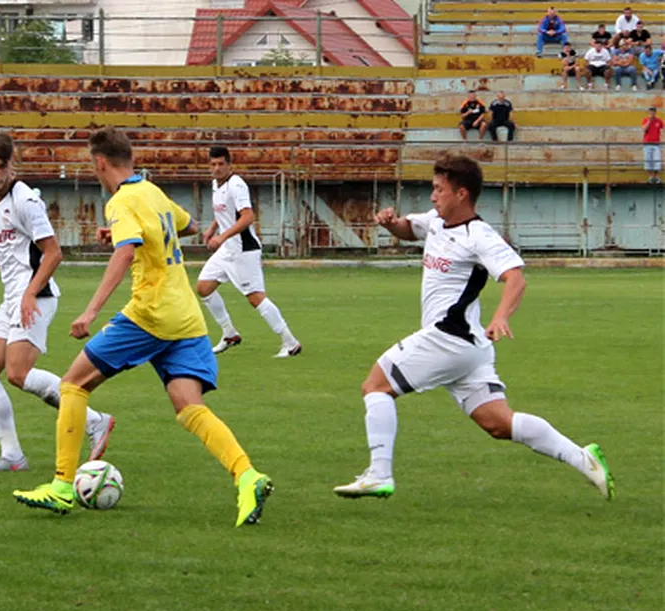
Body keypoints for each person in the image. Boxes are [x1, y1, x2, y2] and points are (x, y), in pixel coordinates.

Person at [12, 127, 273, 527]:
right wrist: (131, 234)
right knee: (189, 407)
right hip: (186, 317)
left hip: (150, 314)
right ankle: (247, 476)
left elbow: (126, 252)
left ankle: (63, 487)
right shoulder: (151, 192)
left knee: (72, 385)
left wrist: (91, 311)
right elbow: (183, 225)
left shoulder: (122, 201)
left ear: (99, 163)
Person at [332, 154, 614, 502]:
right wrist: (391, 223)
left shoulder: (479, 235)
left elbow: (516, 278)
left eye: (439, 189)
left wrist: (501, 317)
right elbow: (409, 228)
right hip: (469, 347)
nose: (433, 196)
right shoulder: (436, 221)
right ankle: (583, 458)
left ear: (461, 194)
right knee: (498, 423)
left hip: (448, 338)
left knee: (375, 385)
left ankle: (379, 474)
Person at [0, 130, 115, 472]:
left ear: (13, 164)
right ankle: (13, 456)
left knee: (18, 373)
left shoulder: (26, 200)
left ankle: (94, 421)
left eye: (1, 166)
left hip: (37, 297)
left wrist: (29, 293)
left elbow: (53, 253)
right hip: (12, 298)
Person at [196, 146, 302, 358]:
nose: (216, 168)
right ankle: (229, 334)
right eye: (213, 164)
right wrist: (212, 229)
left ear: (229, 164)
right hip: (227, 249)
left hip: (243, 249)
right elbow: (226, 211)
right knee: (203, 287)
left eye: (220, 164)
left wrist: (222, 236)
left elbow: (247, 216)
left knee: (255, 298)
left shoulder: (237, 184)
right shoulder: (216, 184)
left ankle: (290, 343)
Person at [642, 106, 662, 184]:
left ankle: (656, 177)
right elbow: (644, 129)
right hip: (647, 144)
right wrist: (649, 121)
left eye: (653, 111)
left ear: (655, 112)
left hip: (656, 144)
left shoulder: (659, 121)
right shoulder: (645, 120)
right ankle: (650, 177)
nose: (651, 112)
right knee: (648, 160)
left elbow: (662, 129)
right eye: (650, 111)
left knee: (657, 160)